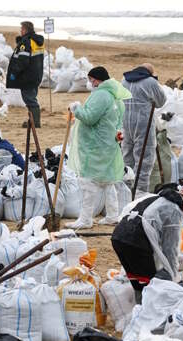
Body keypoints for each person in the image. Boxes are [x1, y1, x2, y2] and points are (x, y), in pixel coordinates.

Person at [66, 67, 132, 228]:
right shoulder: (114, 96)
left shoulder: (101, 95)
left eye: (91, 79)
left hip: (96, 146)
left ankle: (85, 219)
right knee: (107, 181)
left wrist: (76, 109)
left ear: (96, 79)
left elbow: (89, 118)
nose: (90, 83)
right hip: (108, 144)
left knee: (89, 181)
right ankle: (112, 215)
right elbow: (117, 121)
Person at [112, 184, 183, 303]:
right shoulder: (174, 210)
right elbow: (170, 247)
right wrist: (173, 276)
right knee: (152, 284)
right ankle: (147, 314)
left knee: (137, 280)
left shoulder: (157, 199)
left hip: (119, 237)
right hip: (136, 240)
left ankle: (139, 311)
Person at [121, 63, 167, 194]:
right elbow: (161, 101)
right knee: (144, 158)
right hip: (143, 123)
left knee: (127, 156)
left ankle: (125, 189)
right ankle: (139, 191)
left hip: (126, 122)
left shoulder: (124, 80)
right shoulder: (150, 82)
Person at [6, 21, 44, 128]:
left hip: (27, 76)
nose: (20, 31)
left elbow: (22, 60)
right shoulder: (36, 41)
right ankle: (32, 120)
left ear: (25, 30)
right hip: (36, 74)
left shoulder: (26, 42)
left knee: (29, 99)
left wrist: (14, 72)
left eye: (21, 29)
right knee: (32, 97)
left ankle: (35, 122)